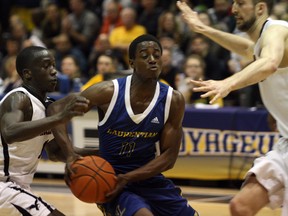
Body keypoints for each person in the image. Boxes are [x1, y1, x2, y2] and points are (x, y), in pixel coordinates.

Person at [52, 34, 198, 216]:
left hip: (148, 178)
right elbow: (56, 108)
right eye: (144, 56)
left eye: (157, 55)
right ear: (132, 63)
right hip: (111, 179)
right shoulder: (108, 92)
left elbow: (169, 158)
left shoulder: (173, 100)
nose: (152, 60)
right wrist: (70, 154)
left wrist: (129, 177)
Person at [177, 0, 288, 215]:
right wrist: (202, 28)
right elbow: (248, 49)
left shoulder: (276, 30)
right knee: (241, 207)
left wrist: (228, 82)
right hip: (285, 143)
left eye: (241, 3)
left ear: (260, 8)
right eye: (234, 3)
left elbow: (270, 62)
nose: (234, 9)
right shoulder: (262, 42)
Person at [0, 46, 89, 216]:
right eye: (46, 66)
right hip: (3, 185)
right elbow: (10, 132)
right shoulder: (19, 98)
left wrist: (102, 154)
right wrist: (59, 118)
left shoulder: (47, 106)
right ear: (28, 74)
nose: (54, 71)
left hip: (18, 187)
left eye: (54, 65)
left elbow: (55, 152)